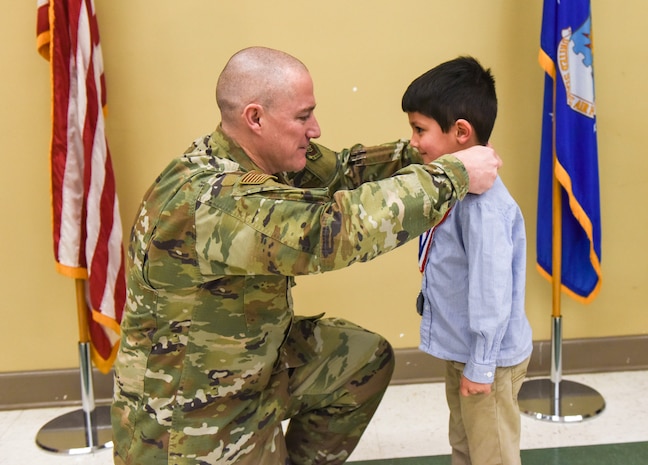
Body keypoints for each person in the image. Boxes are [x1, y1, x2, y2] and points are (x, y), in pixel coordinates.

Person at [111, 46, 502, 465]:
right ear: (255, 118)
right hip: (192, 417)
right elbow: (331, 233)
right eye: (302, 117)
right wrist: (453, 174)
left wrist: (428, 150)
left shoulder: (261, 157)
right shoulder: (216, 201)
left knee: (361, 359)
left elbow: (344, 172)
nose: (315, 129)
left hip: (254, 361)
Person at [403, 56, 533, 465]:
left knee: (491, 453)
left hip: (486, 359)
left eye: (419, 129)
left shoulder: (483, 207)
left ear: (461, 132)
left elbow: (492, 293)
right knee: (464, 444)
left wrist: (479, 365)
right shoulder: (451, 189)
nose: (412, 141)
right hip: (463, 350)